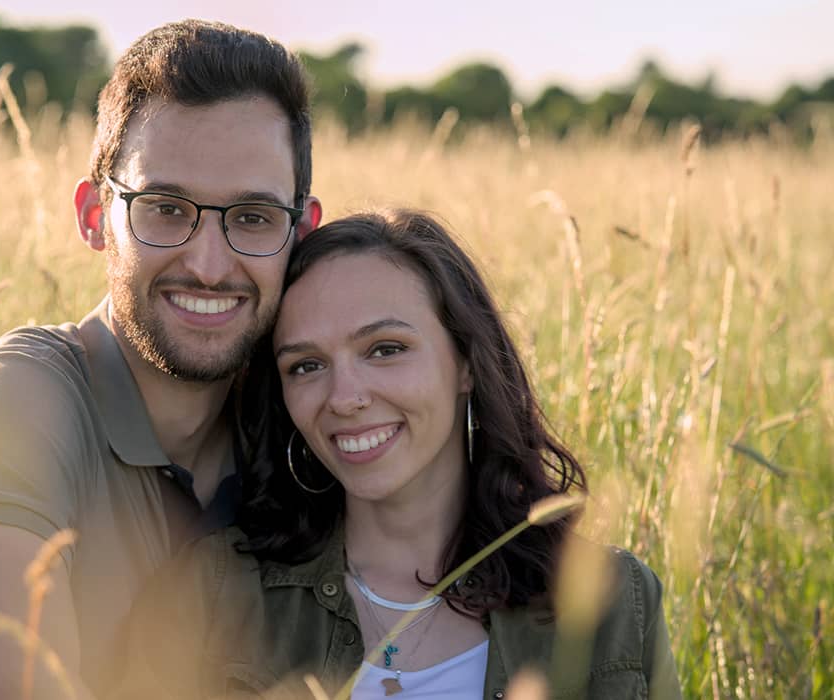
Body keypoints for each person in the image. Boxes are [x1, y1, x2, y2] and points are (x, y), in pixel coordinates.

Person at [0, 20, 322, 699]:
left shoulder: (313, 424)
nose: (209, 266)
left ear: (300, 232)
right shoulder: (16, 403)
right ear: (95, 216)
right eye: (164, 208)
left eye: (252, 217)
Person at [116, 210, 682, 699]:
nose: (345, 397)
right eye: (306, 366)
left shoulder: (611, 601)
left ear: (466, 362)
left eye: (385, 349)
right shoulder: (213, 592)